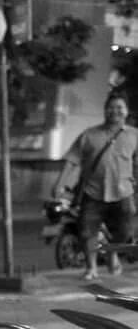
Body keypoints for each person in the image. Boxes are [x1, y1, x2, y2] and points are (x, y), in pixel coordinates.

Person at [52, 92, 137, 282]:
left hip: (123, 192)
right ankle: (91, 268)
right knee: (87, 231)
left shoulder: (134, 136)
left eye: (119, 108)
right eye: (111, 107)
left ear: (126, 111)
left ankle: (112, 253)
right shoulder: (89, 135)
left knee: (126, 230)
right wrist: (60, 183)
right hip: (93, 191)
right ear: (105, 110)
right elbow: (72, 161)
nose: (115, 111)